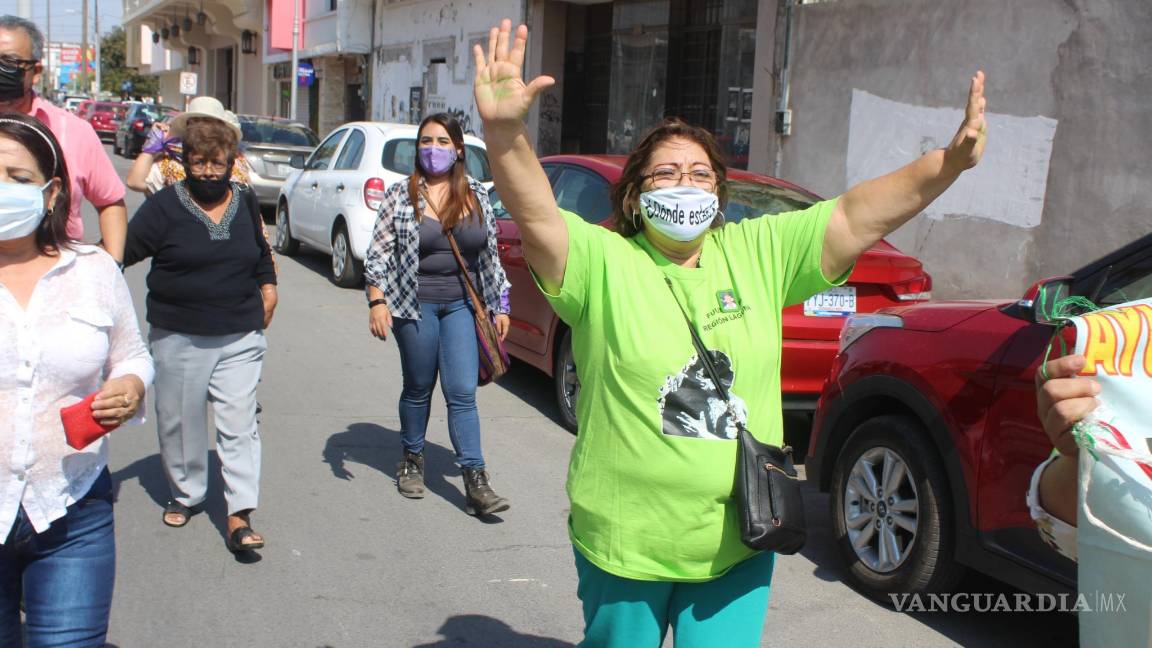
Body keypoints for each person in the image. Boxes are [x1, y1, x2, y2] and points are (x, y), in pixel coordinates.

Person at [473, 20, 986, 645]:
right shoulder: (604, 260)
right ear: (635, 195)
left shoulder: (758, 251)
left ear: (720, 193)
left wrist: (947, 165)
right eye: (664, 174)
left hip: (743, 536)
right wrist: (504, 136)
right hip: (624, 538)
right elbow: (537, 213)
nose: (683, 184)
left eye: (700, 173)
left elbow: (856, 213)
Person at [0, 112, 152, 646]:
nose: (2, 191)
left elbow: (132, 355)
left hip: (71, 508)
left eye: (16, 179)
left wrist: (130, 387)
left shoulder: (93, 270)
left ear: (51, 192)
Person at [123, 117, 278, 553]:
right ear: (185, 162)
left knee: (239, 423)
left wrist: (269, 285)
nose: (209, 172)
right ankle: (187, 492)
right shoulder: (166, 206)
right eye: (199, 163)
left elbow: (259, 252)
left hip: (240, 332)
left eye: (217, 163)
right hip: (179, 334)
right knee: (181, 420)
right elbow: (125, 251)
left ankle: (239, 513)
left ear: (232, 162)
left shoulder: (245, 200)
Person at [364, 112, 513, 516]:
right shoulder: (401, 195)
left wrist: (499, 303)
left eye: (443, 142)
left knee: (462, 393)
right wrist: (377, 301)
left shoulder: (477, 195)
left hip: (463, 305)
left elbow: (490, 256)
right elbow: (378, 254)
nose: (434, 149)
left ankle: (476, 480)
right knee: (417, 386)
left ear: (458, 149)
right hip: (414, 306)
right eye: (426, 141)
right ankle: (412, 459)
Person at [0, 16, 129, 263]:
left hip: (59, 281)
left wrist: (112, 263)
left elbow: (110, 201)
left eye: (10, 61)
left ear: (36, 72)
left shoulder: (72, 130)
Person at [125, 96, 253, 196]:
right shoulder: (171, 164)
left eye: (207, 122)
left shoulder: (236, 161)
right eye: (196, 122)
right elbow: (134, 182)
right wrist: (151, 147)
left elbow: (245, 201)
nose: (202, 129)